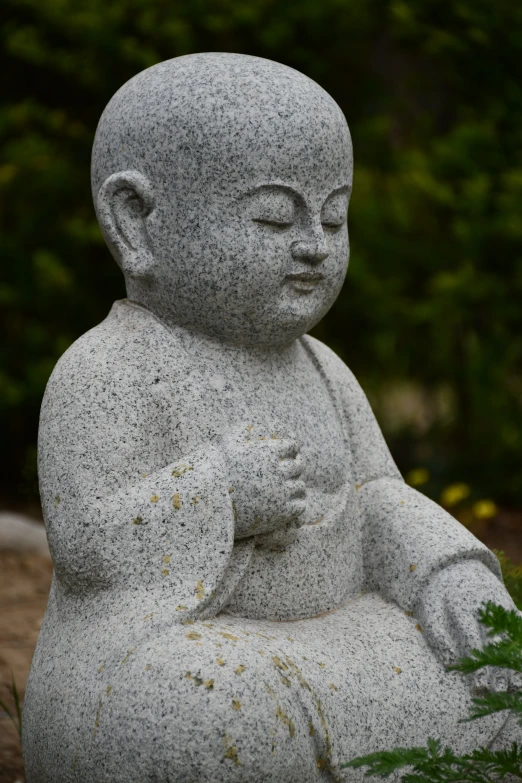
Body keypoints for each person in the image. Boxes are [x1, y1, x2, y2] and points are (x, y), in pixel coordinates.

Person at [23, 53, 520, 783]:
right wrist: (220, 493)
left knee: (491, 673)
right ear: (136, 222)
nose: (315, 245)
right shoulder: (107, 370)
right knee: (194, 707)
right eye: (273, 216)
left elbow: (376, 496)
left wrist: (445, 575)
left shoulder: (322, 367)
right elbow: (89, 545)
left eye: (334, 216)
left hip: (341, 637)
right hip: (183, 645)